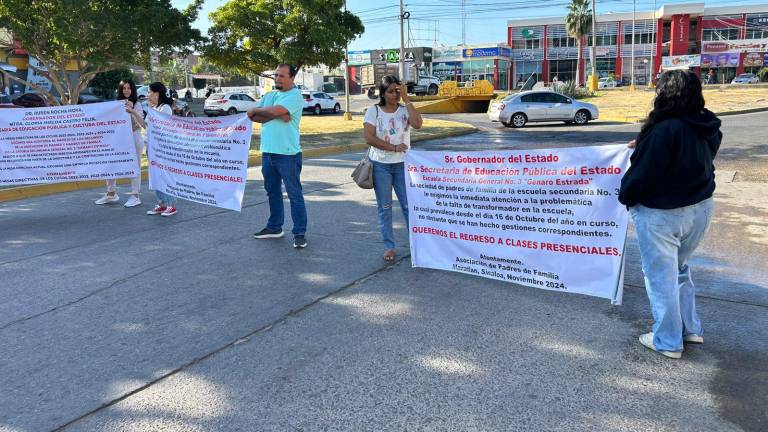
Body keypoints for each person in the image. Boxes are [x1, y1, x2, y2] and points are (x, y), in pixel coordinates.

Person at [619, 70, 721, 359]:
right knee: (678, 269)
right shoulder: (705, 123)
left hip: (662, 215)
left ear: (666, 94)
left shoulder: (663, 130)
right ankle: (690, 329)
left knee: (661, 277)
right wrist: (645, 146)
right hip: (700, 209)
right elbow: (688, 154)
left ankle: (667, 341)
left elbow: (641, 177)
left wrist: (626, 197)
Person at [247, 64, 308, 248]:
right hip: (268, 153)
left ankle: (299, 233)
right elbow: (256, 117)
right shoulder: (271, 95)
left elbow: (266, 112)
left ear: (292, 78)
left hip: (288, 155)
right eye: (276, 75)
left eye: (282, 76)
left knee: (294, 194)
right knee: (272, 192)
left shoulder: (295, 96)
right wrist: (275, 113)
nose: (278, 79)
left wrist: (266, 111)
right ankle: (274, 227)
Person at [362, 75, 423, 262]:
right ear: (382, 93)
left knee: (408, 205)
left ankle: (416, 243)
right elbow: (369, 138)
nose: (395, 95)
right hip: (381, 165)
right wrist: (394, 148)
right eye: (390, 91)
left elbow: (418, 125)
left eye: (397, 91)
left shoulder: (405, 109)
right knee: (385, 207)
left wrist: (408, 99)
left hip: (403, 165)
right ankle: (389, 246)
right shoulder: (374, 111)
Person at [94, 79, 145, 208]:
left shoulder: (137, 105)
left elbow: (141, 124)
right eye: (124, 88)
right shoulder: (116, 105)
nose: (126, 91)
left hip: (134, 137)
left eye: (129, 88)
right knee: (111, 163)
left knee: (134, 166)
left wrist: (132, 110)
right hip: (118, 139)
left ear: (133, 90)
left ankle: (135, 195)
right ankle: (111, 193)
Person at [144, 82, 179, 217]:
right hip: (151, 147)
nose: (147, 94)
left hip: (162, 149)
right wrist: (134, 113)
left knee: (165, 176)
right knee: (155, 177)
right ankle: (161, 203)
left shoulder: (165, 109)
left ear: (156, 93)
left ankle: (171, 204)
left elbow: (163, 129)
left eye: (149, 92)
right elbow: (146, 127)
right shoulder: (154, 108)